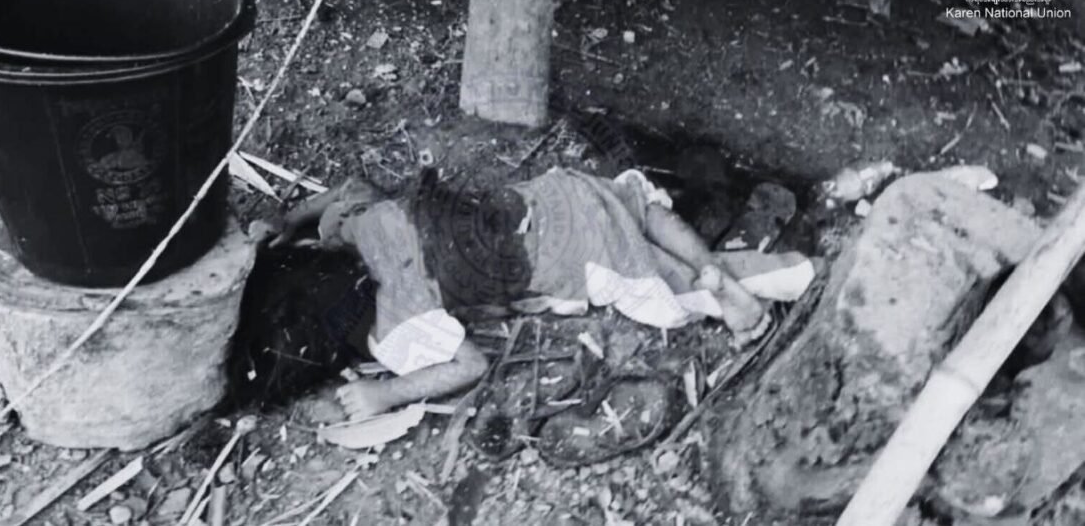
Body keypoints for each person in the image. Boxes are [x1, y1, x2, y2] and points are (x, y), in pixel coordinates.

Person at [252, 167, 814, 420]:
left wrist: (388, 394)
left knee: (666, 290)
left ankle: (790, 275)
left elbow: (469, 364)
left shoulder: (390, 332)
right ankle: (711, 266)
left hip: (576, 258)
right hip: (557, 194)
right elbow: (350, 187)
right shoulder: (354, 225)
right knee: (638, 208)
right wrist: (292, 219)